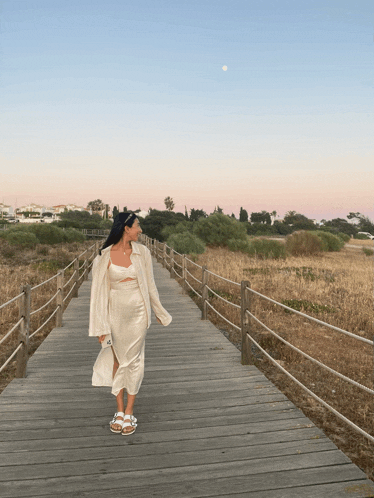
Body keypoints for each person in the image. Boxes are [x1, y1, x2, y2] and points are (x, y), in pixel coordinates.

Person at [88, 212, 172, 435]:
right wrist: (100, 327)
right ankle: (118, 411)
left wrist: (158, 312)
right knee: (117, 361)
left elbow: (151, 285)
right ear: (126, 228)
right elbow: (97, 295)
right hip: (114, 313)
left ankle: (129, 411)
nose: (140, 230)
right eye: (138, 226)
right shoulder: (103, 256)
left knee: (133, 361)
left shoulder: (142, 253)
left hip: (138, 314)